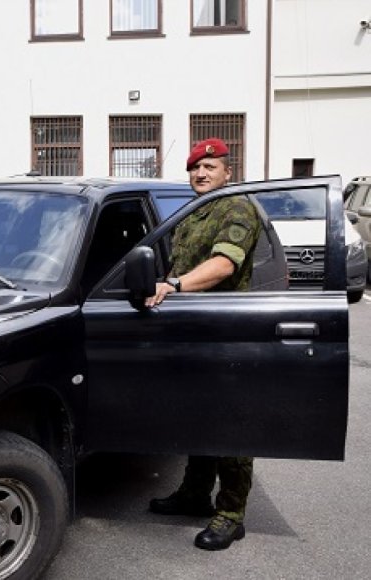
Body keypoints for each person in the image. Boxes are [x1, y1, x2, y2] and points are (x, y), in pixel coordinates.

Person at [145, 138, 262, 551]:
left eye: (210, 166)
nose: (201, 173)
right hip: (193, 331)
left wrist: (173, 285)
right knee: (198, 418)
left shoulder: (237, 208)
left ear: (227, 171)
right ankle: (195, 494)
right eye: (196, 167)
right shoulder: (194, 212)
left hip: (226, 334)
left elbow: (223, 264)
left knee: (230, 425)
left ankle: (231, 514)